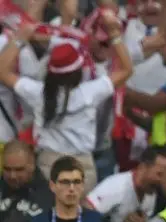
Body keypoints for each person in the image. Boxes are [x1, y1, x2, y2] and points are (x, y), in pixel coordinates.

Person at [0, 15, 134, 193]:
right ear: (79, 72)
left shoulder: (38, 93)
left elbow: (3, 71)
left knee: (49, 219)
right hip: (82, 168)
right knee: (80, 219)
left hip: (48, 167)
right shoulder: (90, 93)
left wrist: (19, 39)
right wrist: (115, 35)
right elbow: (126, 69)